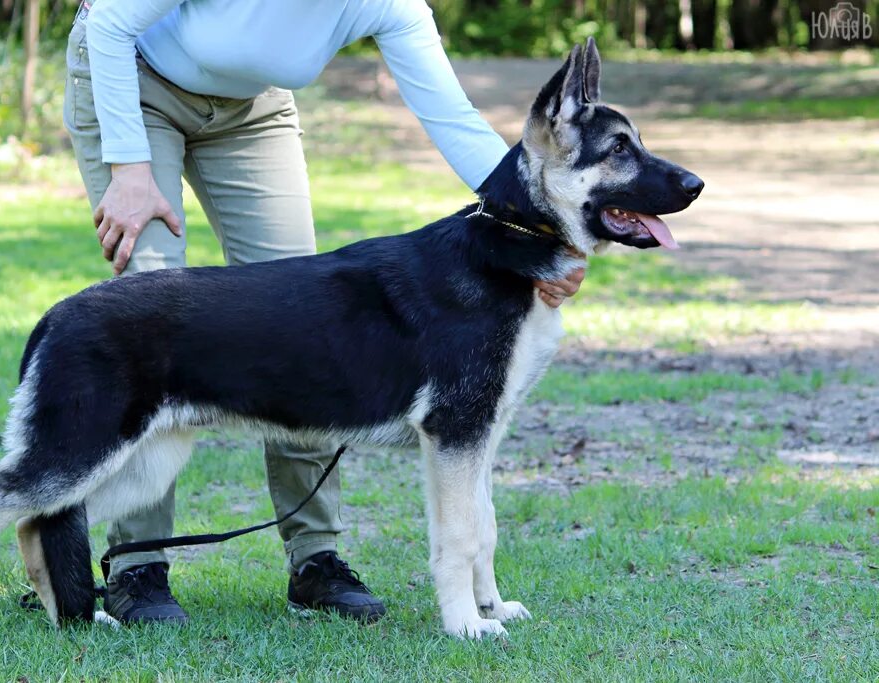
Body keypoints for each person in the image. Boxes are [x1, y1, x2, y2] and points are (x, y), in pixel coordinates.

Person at [63, 0, 586, 626]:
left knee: (309, 321)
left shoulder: (390, 5)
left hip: (251, 109)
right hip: (132, 77)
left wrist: (539, 235)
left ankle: (315, 557)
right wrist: (128, 166)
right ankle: (137, 565)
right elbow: (111, 24)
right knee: (154, 311)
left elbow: (453, 119)